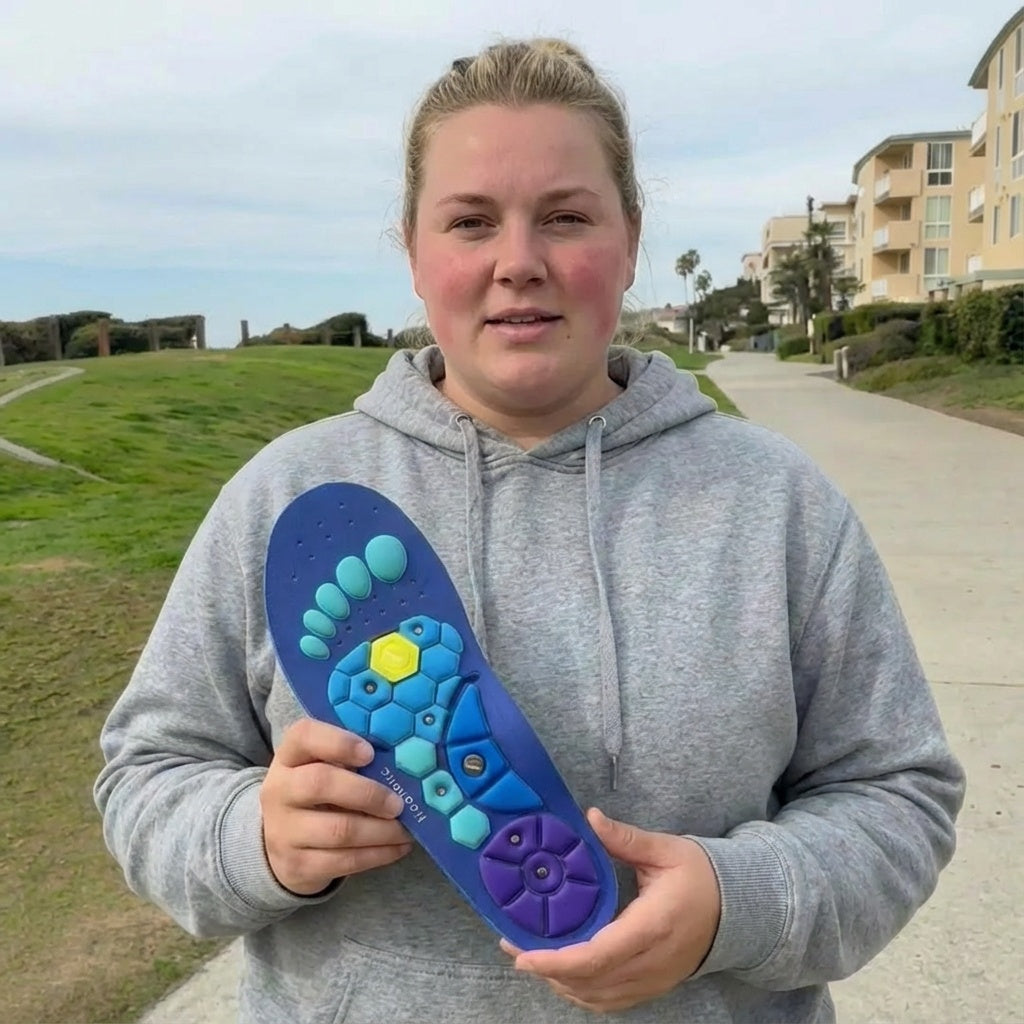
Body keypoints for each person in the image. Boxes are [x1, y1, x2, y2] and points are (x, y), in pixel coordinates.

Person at [95, 37, 965, 1023]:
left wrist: (737, 904)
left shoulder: (776, 504)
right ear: (414, 254)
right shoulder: (286, 500)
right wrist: (254, 838)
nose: (518, 263)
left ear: (629, 242)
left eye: (565, 218)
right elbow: (146, 777)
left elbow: (897, 795)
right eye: (471, 222)